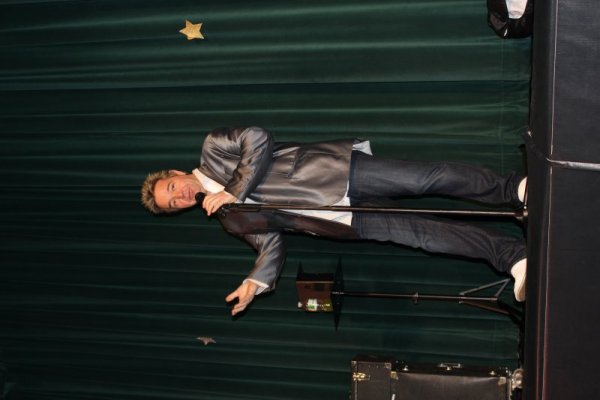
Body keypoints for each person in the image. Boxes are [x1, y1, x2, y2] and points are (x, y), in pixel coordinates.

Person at [141, 126, 528, 316]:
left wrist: (234, 189)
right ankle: (512, 257)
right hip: (341, 221)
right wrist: (254, 282)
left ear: (176, 172)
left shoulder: (213, 149)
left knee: (426, 179)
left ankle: (512, 189)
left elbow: (257, 139)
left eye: (173, 187)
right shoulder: (229, 220)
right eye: (174, 203)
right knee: (427, 236)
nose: (180, 196)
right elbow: (270, 241)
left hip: (336, 173)